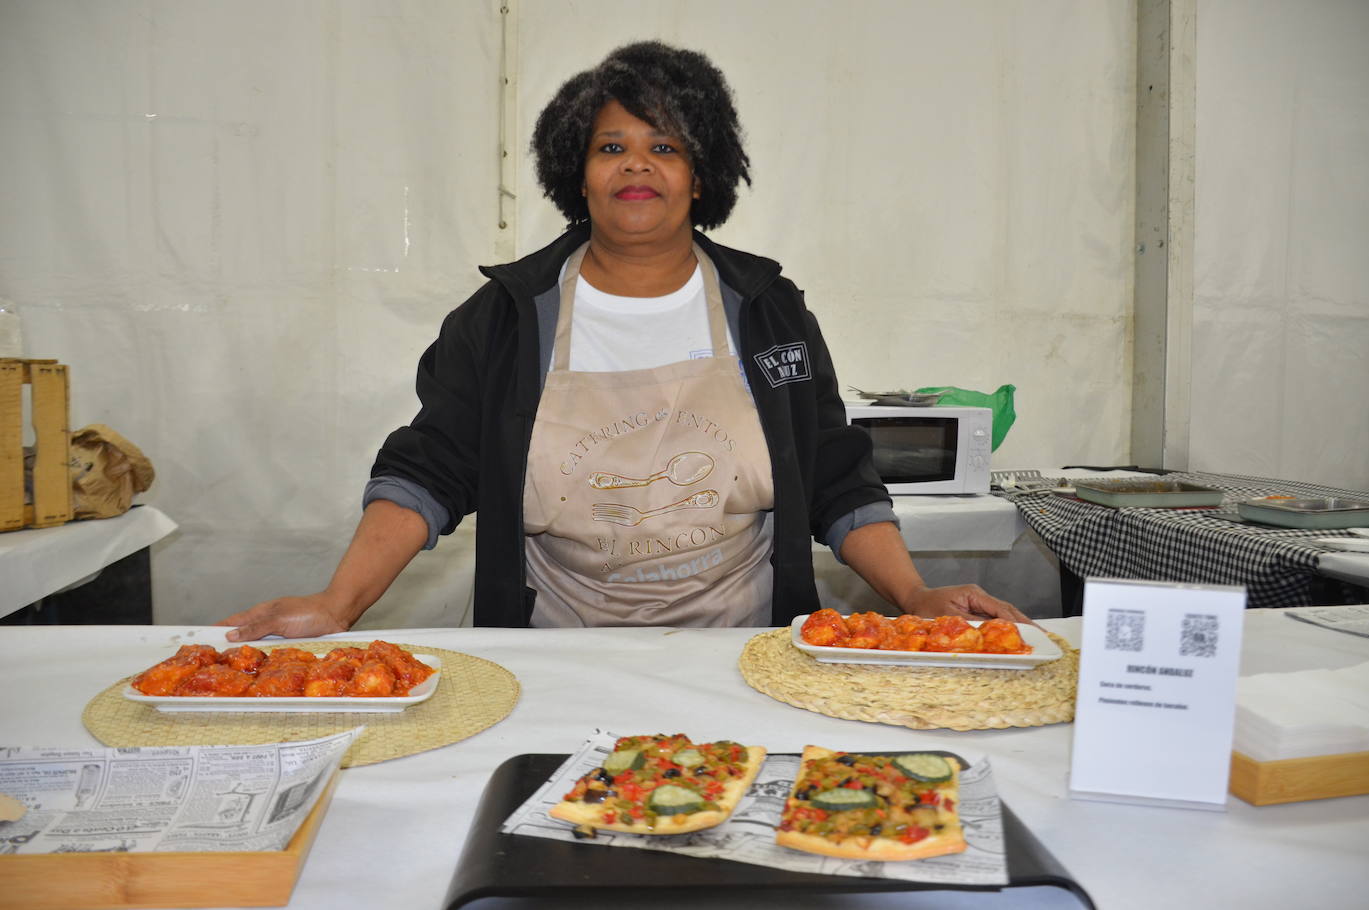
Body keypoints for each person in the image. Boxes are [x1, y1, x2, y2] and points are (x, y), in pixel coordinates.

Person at [219, 41, 1026, 641]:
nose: (636, 167)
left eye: (664, 147)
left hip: (742, 654)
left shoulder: (768, 310)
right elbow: (429, 467)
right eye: (612, 147)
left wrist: (916, 598)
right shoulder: (506, 316)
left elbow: (834, 475)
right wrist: (338, 603)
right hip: (555, 655)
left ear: (702, 175)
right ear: (577, 171)